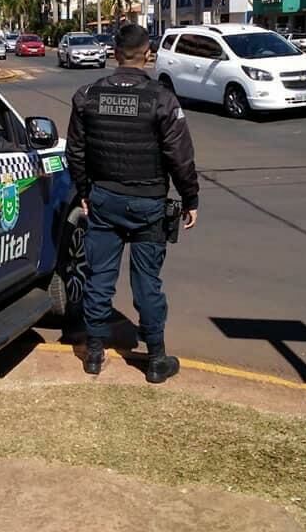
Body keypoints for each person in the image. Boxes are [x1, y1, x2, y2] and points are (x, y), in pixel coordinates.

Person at [66, 23, 199, 384]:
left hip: (103, 200)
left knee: (99, 279)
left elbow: (74, 152)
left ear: (113, 52)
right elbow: (180, 156)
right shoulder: (161, 99)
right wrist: (191, 198)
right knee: (147, 284)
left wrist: (84, 192)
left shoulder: (87, 95)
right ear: (147, 54)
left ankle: (94, 354)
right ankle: (155, 359)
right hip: (148, 204)